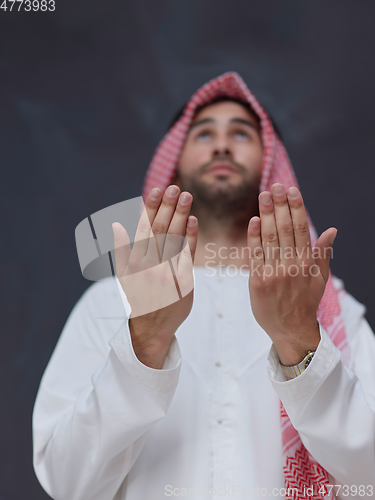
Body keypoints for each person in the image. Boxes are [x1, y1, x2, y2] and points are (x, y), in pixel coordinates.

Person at [32, 72, 375, 500]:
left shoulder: (324, 307)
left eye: (241, 133)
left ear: (270, 160)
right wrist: (145, 341)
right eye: (204, 133)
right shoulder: (111, 300)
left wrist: (300, 340)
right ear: (175, 161)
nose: (222, 145)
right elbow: (68, 483)